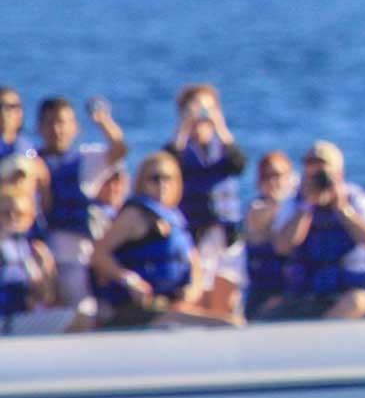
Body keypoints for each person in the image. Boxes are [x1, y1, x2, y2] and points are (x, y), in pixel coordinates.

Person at [88, 153, 235, 329]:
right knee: (227, 325)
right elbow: (99, 254)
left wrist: (193, 290)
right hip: (142, 309)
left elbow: (193, 261)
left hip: (174, 303)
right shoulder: (134, 216)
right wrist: (129, 280)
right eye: (154, 178)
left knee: (229, 310)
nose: (162, 185)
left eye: (168, 178)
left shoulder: (175, 218)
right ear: (142, 181)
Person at [271, 140, 365, 319]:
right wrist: (306, 207)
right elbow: (281, 246)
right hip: (305, 294)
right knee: (269, 311)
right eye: (311, 167)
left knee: (358, 301)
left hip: (347, 292)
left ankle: (321, 336)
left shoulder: (357, 200)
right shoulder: (294, 203)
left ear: (339, 173)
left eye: (323, 168)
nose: (318, 175)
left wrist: (343, 210)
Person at [35, 96, 127, 304]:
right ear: (39, 128)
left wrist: (103, 120)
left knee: (83, 310)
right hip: (41, 252)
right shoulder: (29, 163)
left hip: (76, 256)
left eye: (62, 123)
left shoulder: (85, 161)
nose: (57, 130)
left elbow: (119, 150)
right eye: (50, 123)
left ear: (75, 127)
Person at [165, 84, 247, 253]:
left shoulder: (224, 148)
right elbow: (168, 164)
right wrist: (184, 127)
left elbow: (239, 164)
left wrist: (219, 125)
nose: (201, 117)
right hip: (192, 229)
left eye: (207, 109)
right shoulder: (180, 148)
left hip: (226, 231)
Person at [241, 151, 296, 321]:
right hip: (263, 294)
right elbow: (260, 218)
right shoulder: (256, 208)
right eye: (266, 176)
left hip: (295, 293)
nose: (273, 182)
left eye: (278, 175)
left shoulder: (300, 208)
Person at [0, 188, 59, 334]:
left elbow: (47, 297)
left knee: (80, 319)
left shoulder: (36, 250)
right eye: (6, 213)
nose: (13, 218)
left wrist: (39, 271)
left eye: (20, 214)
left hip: (23, 318)